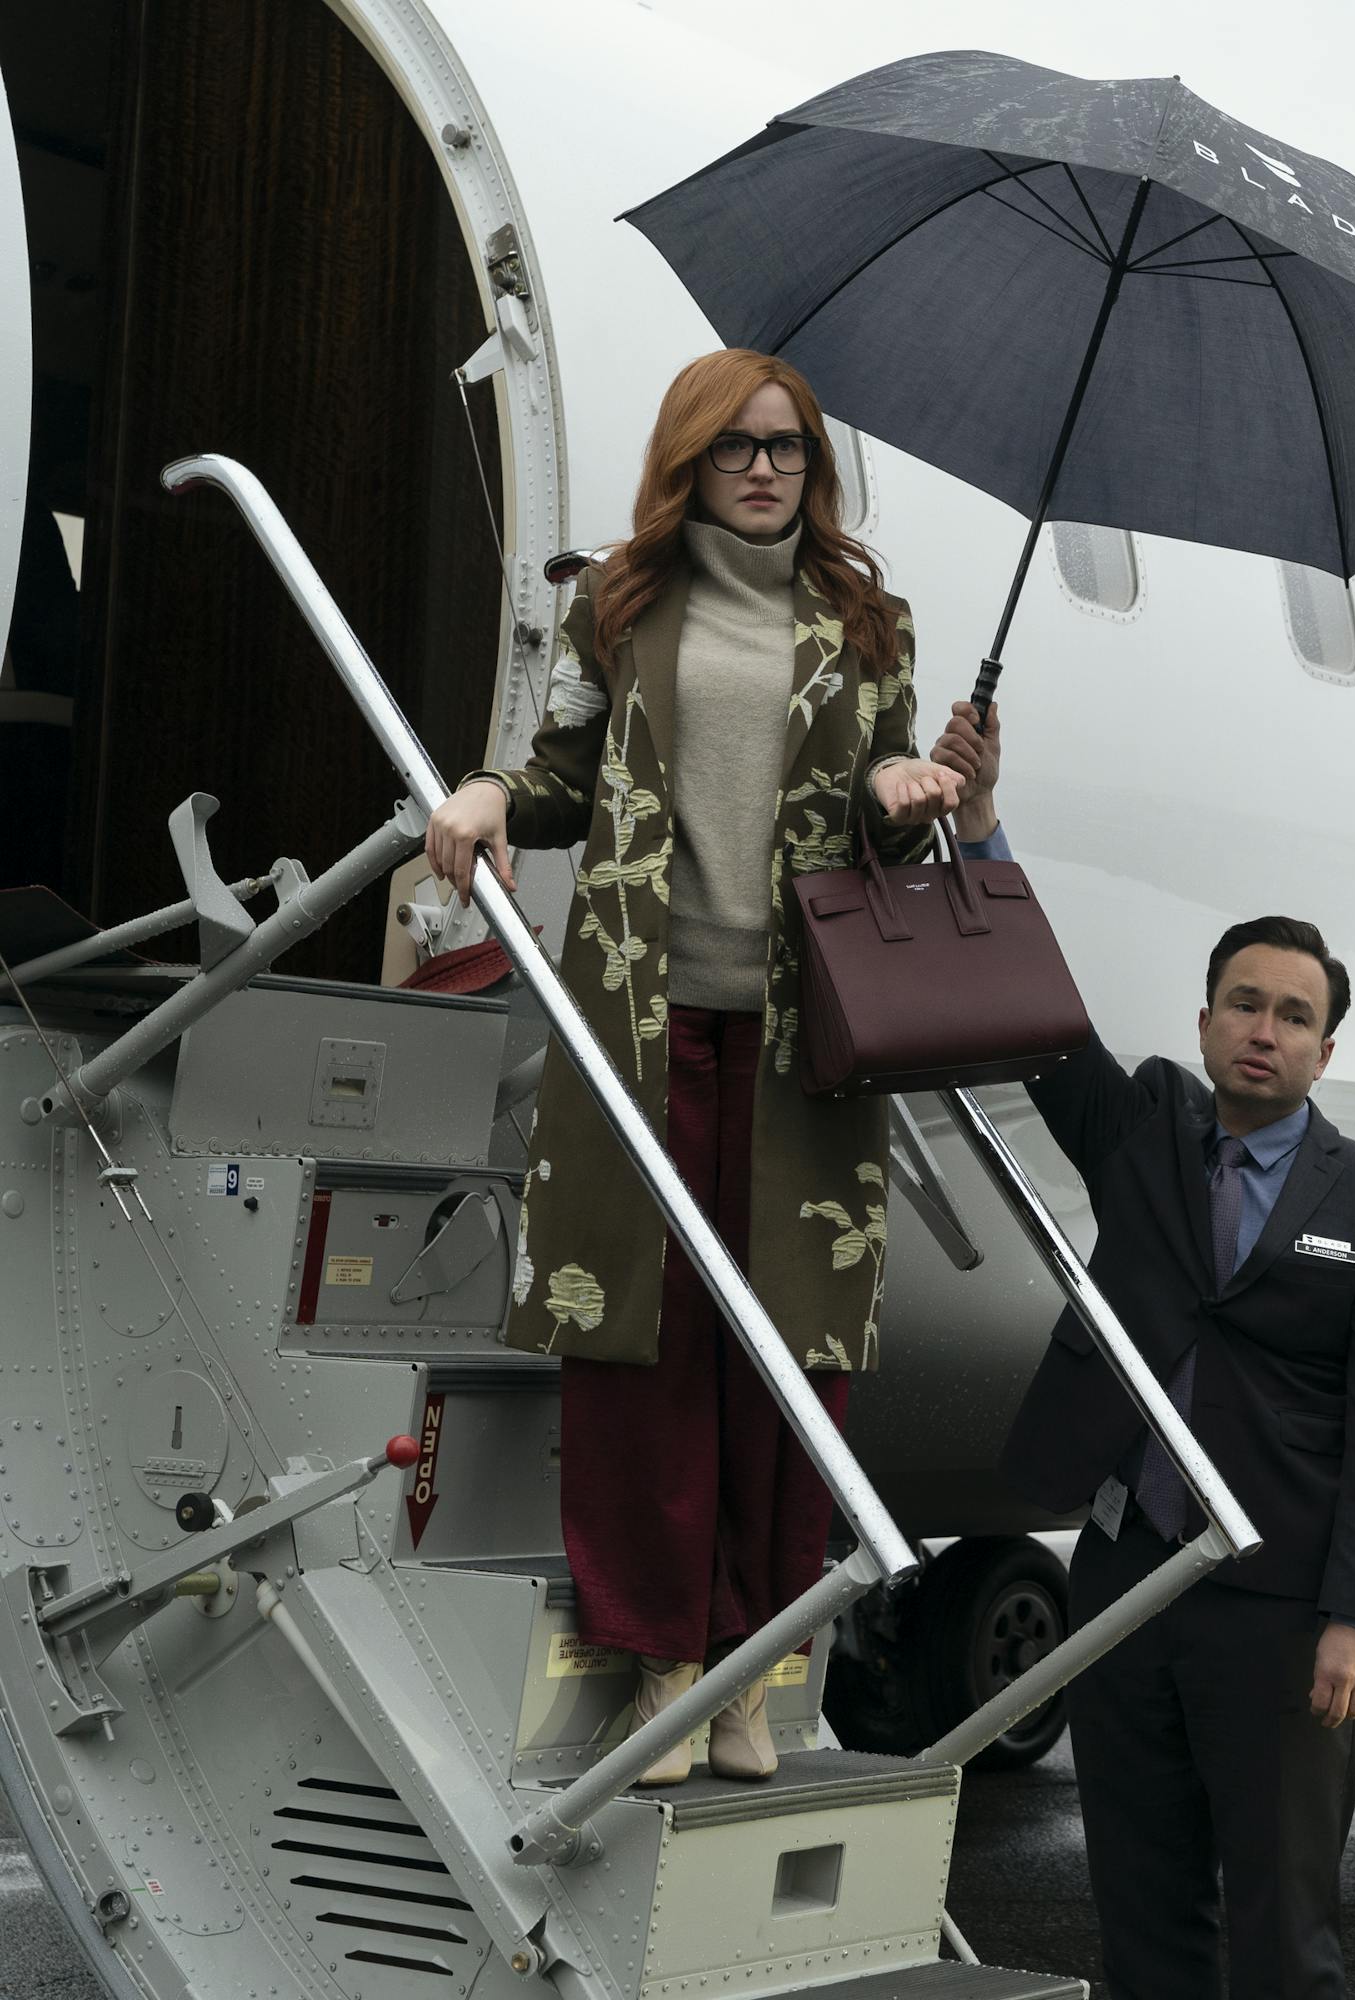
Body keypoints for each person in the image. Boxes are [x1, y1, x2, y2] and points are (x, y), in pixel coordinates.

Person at [423, 349, 963, 1784]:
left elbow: (887, 823)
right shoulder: (619, 603)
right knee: (639, 1360)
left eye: (787, 445)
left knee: (785, 1365)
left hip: (805, 1045)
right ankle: (663, 1657)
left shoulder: (868, 621)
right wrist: (484, 789)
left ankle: (750, 1666)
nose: (768, 468)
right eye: (738, 446)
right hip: (640, 1025)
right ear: (690, 459)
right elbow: (559, 778)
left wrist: (913, 795)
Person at [930, 701, 1355, 1999]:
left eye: (1290, 1014)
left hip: (1275, 1613)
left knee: (1282, 1929)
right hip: (1121, 1579)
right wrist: (982, 831)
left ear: (1327, 1050)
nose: (1261, 1028)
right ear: (1206, 1020)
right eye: (1241, 1004)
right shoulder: (1147, 1124)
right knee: (1140, 1913)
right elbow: (1039, 1025)